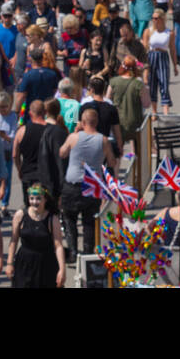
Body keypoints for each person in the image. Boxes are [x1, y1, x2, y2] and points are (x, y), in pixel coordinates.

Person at [59, 105, 112, 259]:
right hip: (93, 186)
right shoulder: (103, 140)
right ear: (96, 122)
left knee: (70, 219)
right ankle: (88, 253)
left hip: (72, 185)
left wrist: (74, 134)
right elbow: (112, 162)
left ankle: (73, 250)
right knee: (89, 221)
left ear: (82, 122)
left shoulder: (74, 137)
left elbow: (62, 153)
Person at [7, 183, 65, 288]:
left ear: (45, 199)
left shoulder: (52, 219)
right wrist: (9, 263)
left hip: (46, 264)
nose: (34, 202)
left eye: (38, 199)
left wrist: (62, 269)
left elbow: (58, 246)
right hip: (24, 264)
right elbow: (14, 240)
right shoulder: (20, 215)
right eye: (31, 198)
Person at [144, 8, 179, 114]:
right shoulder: (148, 31)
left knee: (164, 83)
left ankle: (165, 110)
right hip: (151, 57)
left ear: (162, 19)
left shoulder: (169, 33)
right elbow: (144, 49)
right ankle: (154, 111)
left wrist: (175, 66)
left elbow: (172, 49)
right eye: (153, 18)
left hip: (163, 57)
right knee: (152, 84)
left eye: (156, 18)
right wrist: (144, 66)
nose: (154, 20)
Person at [0, 92, 19, 212]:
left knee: (6, 178)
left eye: (4, 107)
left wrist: (4, 136)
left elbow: (13, 137)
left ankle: (5, 204)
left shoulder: (12, 116)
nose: (1, 109)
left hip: (6, 150)